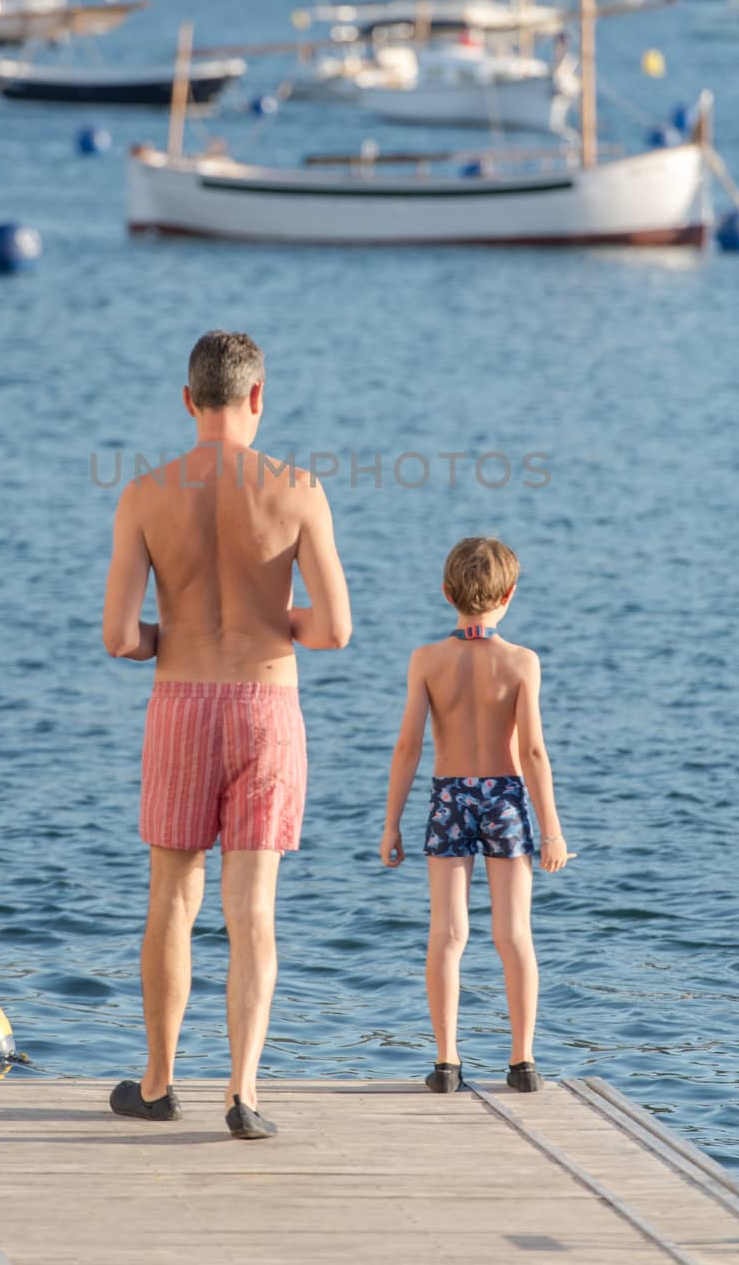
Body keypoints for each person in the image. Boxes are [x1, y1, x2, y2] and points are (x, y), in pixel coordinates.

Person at [102, 330, 351, 1139]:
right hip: (265, 704)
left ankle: (158, 1081)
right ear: (257, 397)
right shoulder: (298, 488)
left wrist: (168, 636)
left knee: (172, 900)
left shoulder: (144, 494)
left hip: (180, 703)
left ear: (187, 401)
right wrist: (273, 618)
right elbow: (335, 631)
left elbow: (118, 639)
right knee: (254, 909)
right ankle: (243, 1094)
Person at [379, 535, 568, 1094]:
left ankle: (446, 1062)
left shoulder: (428, 660)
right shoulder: (521, 662)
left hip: (449, 797)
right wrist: (551, 829)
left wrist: (392, 822)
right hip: (506, 796)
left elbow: (407, 747)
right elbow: (533, 751)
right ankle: (523, 1061)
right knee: (514, 934)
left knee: (448, 933)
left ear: (446, 592)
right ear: (510, 593)